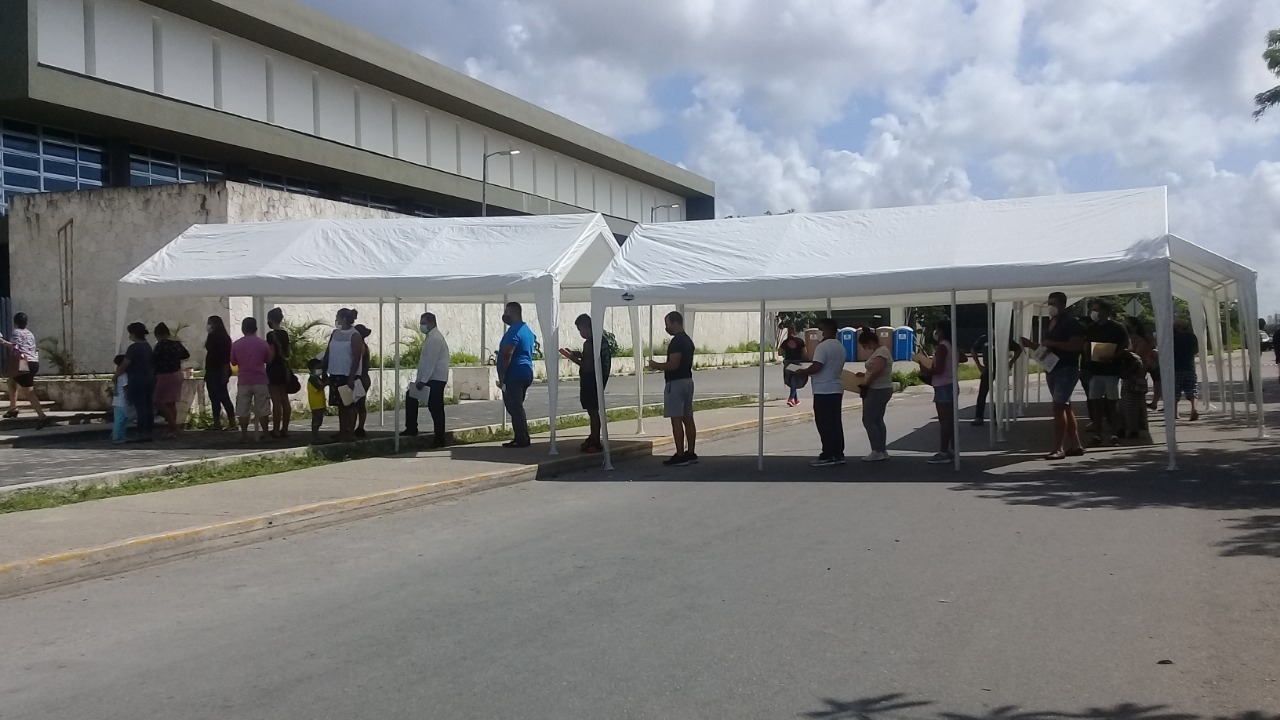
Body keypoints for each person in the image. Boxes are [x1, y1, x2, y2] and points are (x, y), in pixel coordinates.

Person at [1020, 291, 1087, 460]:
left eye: (1054, 303)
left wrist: (1053, 343)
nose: (1051, 306)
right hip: (1052, 368)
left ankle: (1058, 448)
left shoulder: (1071, 323)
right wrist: (1030, 345)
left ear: (1063, 305)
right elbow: (1048, 348)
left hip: (1066, 369)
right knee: (1064, 406)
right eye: (1049, 303)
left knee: (1058, 407)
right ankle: (1075, 444)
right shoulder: (1052, 323)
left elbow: (1077, 346)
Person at [791, 318, 846, 466]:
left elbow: (817, 366)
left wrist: (802, 372)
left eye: (820, 329)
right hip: (836, 388)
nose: (819, 333)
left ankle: (828, 453)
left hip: (824, 389)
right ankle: (838, 453)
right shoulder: (839, 346)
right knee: (835, 422)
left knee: (824, 422)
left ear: (827, 330)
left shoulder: (823, 347)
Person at [648, 311, 697, 466]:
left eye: (667, 323)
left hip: (675, 382)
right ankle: (691, 452)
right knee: (688, 418)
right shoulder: (688, 341)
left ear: (675, 322)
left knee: (676, 418)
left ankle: (680, 454)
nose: (666, 327)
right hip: (688, 380)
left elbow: (673, 364)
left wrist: (656, 365)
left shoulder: (677, 342)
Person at [561, 314, 612, 453]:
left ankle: (595, 440)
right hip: (600, 379)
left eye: (580, 329)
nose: (580, 333)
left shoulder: (590, 343)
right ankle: (593, 436)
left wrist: (572, 358)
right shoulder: (601, 341)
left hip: (591, 381)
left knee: (593, 411)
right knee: (595, 410)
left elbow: (588, 366)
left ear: (586, 327)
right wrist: (580, 354)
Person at [1083, 300, 1130, 446]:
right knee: (1095, 402)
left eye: (1096, 310)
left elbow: (1125, 345)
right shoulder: (1092, 328)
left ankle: (1114, 434)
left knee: (1112, 402)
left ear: (1105, 312)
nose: (1094, 312)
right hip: (1095, 370)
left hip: (1111, 370)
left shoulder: (1117, 328)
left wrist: (1113, 356)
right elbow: (1086, 344)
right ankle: (1097, 434)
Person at [402, 312, 450, 448]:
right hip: (430, 377)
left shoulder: (435, 339)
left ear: (431, 323)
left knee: (435, 407)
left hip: (435, 378)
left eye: (423, 323)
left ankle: (440, 438)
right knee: (411, 397)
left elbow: (431, 362)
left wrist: (422, 380)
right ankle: (411, 427)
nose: (421, 326)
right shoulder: (431, 337)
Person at [322, 308, 365, 443]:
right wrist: (324, 370)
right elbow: (328, 351)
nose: (337, 320)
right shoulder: (335, 333)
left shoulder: (355, 335)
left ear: (344, 319)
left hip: (347, 375)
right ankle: (342, 430)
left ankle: (350, 432)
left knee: (349, 404)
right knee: (340, 405)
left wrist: (352, 376)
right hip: (334, 373)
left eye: (338, 317)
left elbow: (357, 357)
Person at [497, 302, 537, 449]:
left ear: (513, 313)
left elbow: (508, 353)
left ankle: (521, 438)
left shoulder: (514, 331)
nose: (504, 315)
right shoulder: (527, 330)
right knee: (517, 406)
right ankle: (522, 436)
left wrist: (502, 373)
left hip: (515, 374)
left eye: (506, 312)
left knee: (514, 406)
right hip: (525, 372)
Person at [0, 312, 49, 428]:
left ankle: (42, 416)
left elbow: (14, 346)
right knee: (11, 381)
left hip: (24, 363)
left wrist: (1, 341)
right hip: (33, 362)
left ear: (15, 323)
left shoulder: (16, 332)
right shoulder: (30, 334)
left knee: (29, 392)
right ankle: (13, 408)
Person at [230, 316, 273, 443]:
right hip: (260, 379)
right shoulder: (262, 343)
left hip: (244, 380)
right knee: (263, 408)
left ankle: (244, 435)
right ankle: (266, 434)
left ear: (243, 329)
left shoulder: (236, 344)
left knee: (243, 409)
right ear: (256, 328)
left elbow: (233, 361)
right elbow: (269, 360)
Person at [856, 327, 893, 462]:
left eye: (865, 345)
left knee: (868, 419)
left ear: (871, 341)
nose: (866, 348)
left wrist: (867, 383)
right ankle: (882, 449)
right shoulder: (881, 351)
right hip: (883, 388)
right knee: (877, 420)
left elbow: (878, 369)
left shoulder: (881, 352)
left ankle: (876, 450)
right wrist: (864, 375)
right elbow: (875, 369)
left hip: (877, 389)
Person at [970, 334, 1023, 427]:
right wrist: (978, 365)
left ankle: (997, 416)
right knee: (982, 393)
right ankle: (979, 417)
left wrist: (1011, 362)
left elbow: (1019, 349)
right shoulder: (984, 338)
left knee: (999, 393)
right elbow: (973, 350)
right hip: (987, 369)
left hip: (1000, 369)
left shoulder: (1004, 337)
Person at [115, 322, 155, 442]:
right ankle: (148, 431)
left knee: (140, 407)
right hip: (148, 379)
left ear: (133, 334)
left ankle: (141, 432)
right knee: (148, 406)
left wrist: (116, 375)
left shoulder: (133, 348)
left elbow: (124, 364)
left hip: (137, 380)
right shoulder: (147, 346)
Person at [151, 322, 190, 439]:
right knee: (171, 402)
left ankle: (174, 426)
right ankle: (171, 428)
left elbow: (153, 360)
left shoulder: (160, 345)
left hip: (165, 375)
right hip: (177, 373)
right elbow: (186, 354)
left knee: (159, 402)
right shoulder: (176, 344)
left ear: (158, 334)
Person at [926, 320, 956, 465]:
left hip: (942, 385)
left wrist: (925, 369)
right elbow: (961, 358)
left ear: (941, 331)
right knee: (949, 420)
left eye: (937, 329)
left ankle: (944, 451)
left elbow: (939, 370)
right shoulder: (952, 345)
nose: (935, 332)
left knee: (944, 421)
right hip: (951, 384)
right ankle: (951, 449)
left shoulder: (942, 347)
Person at [203, 316, 236, 431]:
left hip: (219, 370)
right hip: (211, 370)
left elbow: (225, 359)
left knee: (223, 396)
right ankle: (216, 422)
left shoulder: (223, 339)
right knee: (214, 397)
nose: (208, 326)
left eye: (210, 323)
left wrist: (224, 374)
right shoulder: (212, 337)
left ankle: (232, 422)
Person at [265, 308, 292, 439]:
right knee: (284, 399)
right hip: (284, 369)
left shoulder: (271, 335)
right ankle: (285, 429)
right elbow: (288, 353)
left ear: (270, 319)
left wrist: (266, 360)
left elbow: (271, 354)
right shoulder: (285, 334)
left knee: (276, 400)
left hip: (274, 369)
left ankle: (276, 429)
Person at [1126, 317, 1161, 412]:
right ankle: (1143, 403)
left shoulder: (1142, 338)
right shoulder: (1130, 337)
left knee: (1141, 385)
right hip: (1145, 363)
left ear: (1135, 327)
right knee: (1140, 385)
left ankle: (1151, 403)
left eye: (1128, 325)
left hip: (1146, 363)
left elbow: (1139, 354)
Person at [1118, 348, 1149, 441]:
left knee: (1128, 408)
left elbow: (1124, 373)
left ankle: (1130, 430)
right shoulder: (1135, 358)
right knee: (1133, 408)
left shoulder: (1130, 359)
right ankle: (1131, 429)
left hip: (1131, 385)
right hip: (1138, 385)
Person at [1172, 318, 1200, 422]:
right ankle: (1194, 408)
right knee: (1192, 389)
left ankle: (1175, 413)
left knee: (1175, 391)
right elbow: (1196, 350)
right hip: (1189, 366)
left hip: (1176, 367)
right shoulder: (1192, 337)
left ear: (1178, 327)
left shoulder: (1173, 338)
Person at [779, 322, 807, 407]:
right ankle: (791, 398)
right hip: (797, 363)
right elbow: (805, 353)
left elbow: (779, 353)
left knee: (792, 381)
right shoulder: (800, 341)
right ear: (796, 332)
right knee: (795, 379)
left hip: (788, 364)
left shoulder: (785, 342)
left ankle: (796, 400)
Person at [354, 324, 373, 438]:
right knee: (358, 404)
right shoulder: (363, 345)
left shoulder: (360, 346)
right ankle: (358, 427)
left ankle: (360, 427)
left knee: (358, 404)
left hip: (360, 378)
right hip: (363, 378)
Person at [306, 358, 327, 445]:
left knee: (319, 420)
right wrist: (327, 382)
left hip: (320, 403)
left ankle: (316, 436)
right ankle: (315, 437)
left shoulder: (317, 377)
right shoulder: (312, 379)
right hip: (316, 403)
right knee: (316, 420)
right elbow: (320, 386)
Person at [111, 354, 130, 444]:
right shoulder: (124, 376)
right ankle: (117, 436)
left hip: (117, 400)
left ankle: (119, 436)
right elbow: (125, 389)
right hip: (122, 401)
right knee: (120, 420)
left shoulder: (117, 375)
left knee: (119, 419)